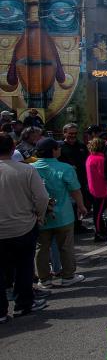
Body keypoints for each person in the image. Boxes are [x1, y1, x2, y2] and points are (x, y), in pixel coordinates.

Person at [0, 132, 49, 319]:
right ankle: (23, 304)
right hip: (23, 227)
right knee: (23, 267)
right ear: (13, 149)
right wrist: (40, 215)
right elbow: (42, 198)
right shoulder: (26, 170)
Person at [32, 137, 87, 288]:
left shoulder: (31, 168)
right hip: (63, 214)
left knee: (41, 248)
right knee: (66, 246)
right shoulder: (65, 168)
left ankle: (44, 280)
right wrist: (81, 206)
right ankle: (68, 276)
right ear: (54, 151)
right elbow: (75, 190)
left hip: (40, 214)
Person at [58, 122, 90, 233]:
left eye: (75, 133)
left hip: (81, 179)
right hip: (66, 181)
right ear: (64, 133)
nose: (73, 136)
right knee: (70, 204)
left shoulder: (81, 146)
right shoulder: (60, 147)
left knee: (81, 203)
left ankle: (78, 224)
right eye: (70, 133)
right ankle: (71, 226)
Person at [85, 137, 107, 242]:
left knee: (98, 212)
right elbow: (104, 174)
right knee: (98, 213)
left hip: (93, 188)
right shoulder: (100, 159)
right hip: (101, 190)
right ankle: (99, 232)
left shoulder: (90, 157)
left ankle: (101, 230)